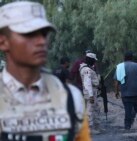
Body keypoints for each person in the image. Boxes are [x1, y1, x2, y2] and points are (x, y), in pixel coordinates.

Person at [0, 1, 85, 141]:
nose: (41, 41)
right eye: (29, 33)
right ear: (3, 42)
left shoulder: (71, 98)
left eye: (44, 34)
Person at [114, 51, 137, 130]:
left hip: (125, 93)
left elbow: (116, 81)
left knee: (128, 111)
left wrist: (116, 91)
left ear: (124, 58)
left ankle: (127, 127)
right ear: (132, 58)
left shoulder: (120, 67)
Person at [79, 52, 103, 134]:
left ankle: (97, 127)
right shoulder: (86, 70)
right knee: (90, 111)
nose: (95, 62)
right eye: (94, 60)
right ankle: (89, 129)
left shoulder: (88, 68)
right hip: (90, 92)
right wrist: (91, 96)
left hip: (93, 91)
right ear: (91, 60)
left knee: (96, 109)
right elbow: (87, 83)